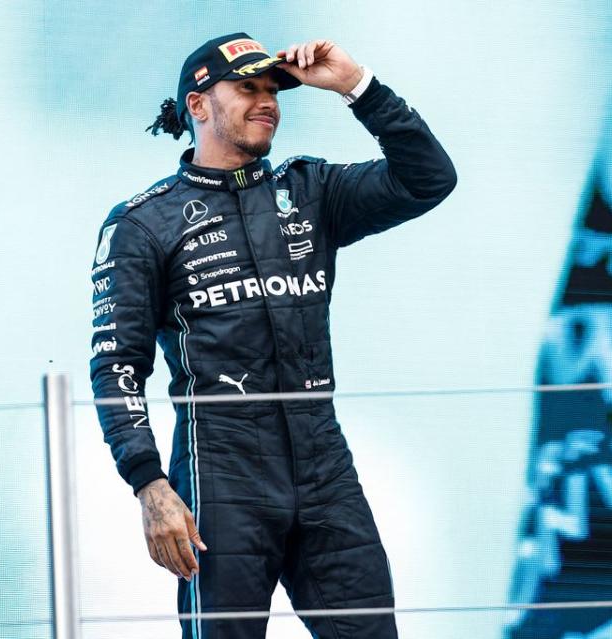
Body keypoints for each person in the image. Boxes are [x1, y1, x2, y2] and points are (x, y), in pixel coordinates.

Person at [90, 32, 456, 639]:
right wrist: (149, 484)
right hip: (222, 472)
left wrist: (355, 86)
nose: (267, 101)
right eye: (247, 88)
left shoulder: (312, 191)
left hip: (324, 467)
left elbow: (429, 179)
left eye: (273, 91)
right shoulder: (141, 224)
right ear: (198, 105)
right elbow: (117, 367)